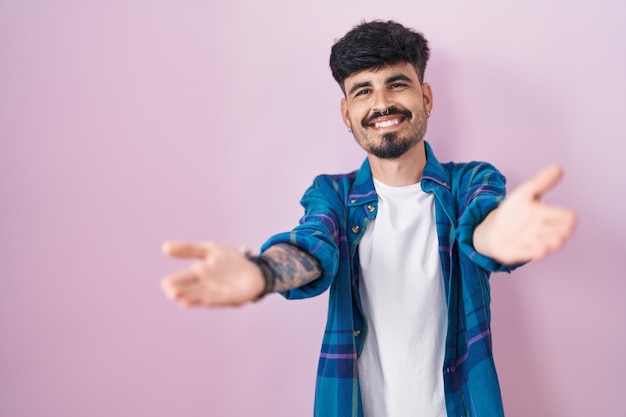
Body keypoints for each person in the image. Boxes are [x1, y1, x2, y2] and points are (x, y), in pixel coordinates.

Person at [161, 20, 577, 417]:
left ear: (426, 97)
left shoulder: (471, 181)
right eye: (363, 91)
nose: (382, 103)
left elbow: (482, 228)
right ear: (346, 113)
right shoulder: (333, 196)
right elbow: (313, 247)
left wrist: (496, 238)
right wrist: (263, 272)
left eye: (397, 83)